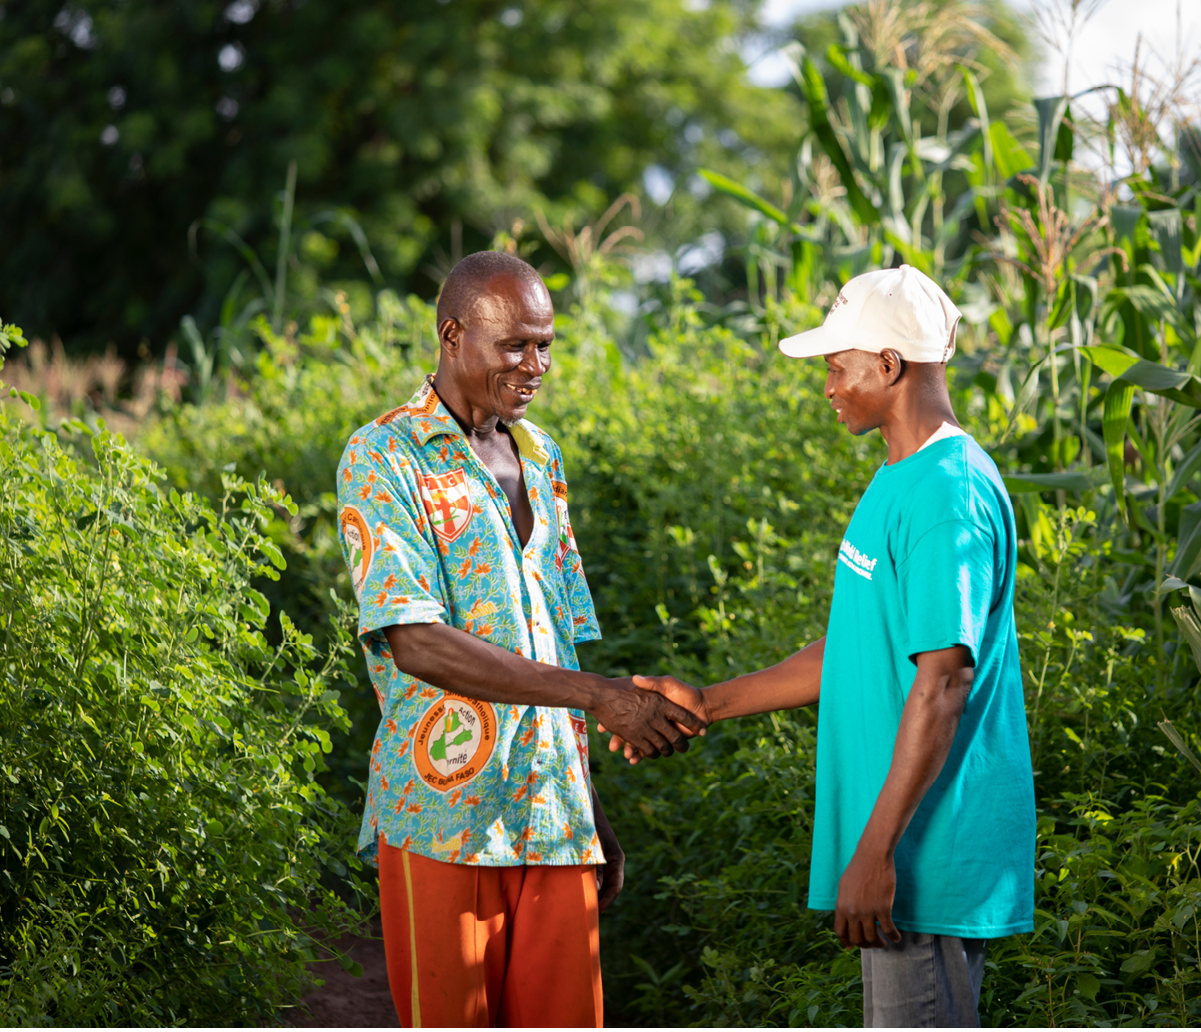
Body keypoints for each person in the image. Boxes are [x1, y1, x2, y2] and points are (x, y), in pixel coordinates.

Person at [602, 265, 1035, 1028]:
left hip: (922, 861)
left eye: (838, 367)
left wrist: (875, 854)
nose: (828, 386)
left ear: (889, 366)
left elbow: (941, 686)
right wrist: (707, 702)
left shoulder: (946, 494)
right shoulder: (900, 478)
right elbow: (856, 648)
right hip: (901, 851)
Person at [335, 250, 704, 1028]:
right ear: (451, 334)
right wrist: (602, 699)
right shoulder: (383, 455)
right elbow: (415, 642)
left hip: (552, 813)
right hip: (443, 813)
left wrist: (587, 799)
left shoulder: (542, 459)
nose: (535, 365)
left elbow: (555, 645)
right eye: (514, 346)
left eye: (545, 345)